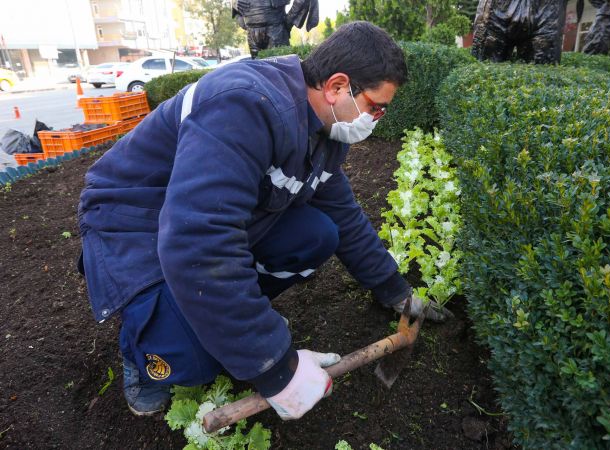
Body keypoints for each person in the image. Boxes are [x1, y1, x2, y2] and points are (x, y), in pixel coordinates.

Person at [78, 21, 452, 420]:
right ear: (338, 87)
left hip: (191, 218)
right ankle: (143, 351)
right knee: (197, 363)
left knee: (318, 234)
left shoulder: (325, 130)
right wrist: (275, 368)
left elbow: (343, 216)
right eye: (377, 107)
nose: (377, 119)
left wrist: (395, 291)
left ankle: (223, 313)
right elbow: (199, 241)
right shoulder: (246, 104)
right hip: (133, 222)